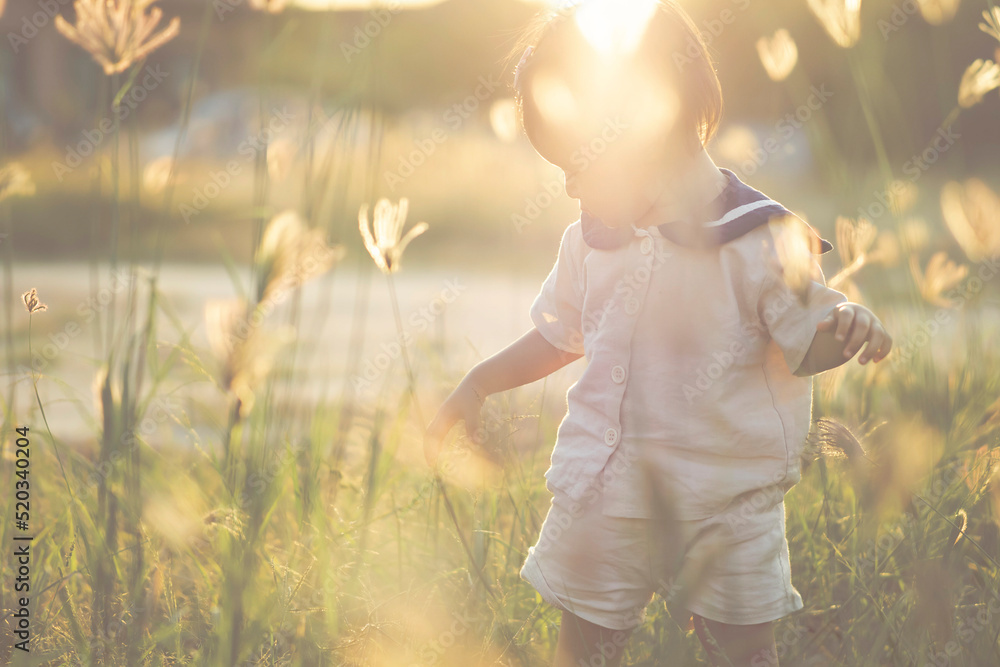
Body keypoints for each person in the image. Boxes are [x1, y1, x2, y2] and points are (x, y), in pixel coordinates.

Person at [424, 2, 892, 665]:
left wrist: (845, 330)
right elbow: (562, 334)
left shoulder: (761, 237)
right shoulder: (589, 240)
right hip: (606, 490)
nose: (567, 183)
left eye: (578, 162)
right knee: (583, 650)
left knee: (743, 653)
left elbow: (805, 339)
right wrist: (480, 380)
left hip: (729, 502)